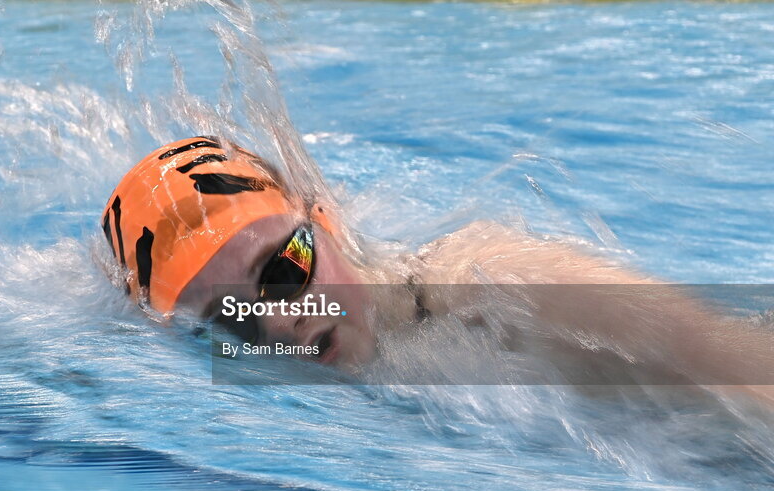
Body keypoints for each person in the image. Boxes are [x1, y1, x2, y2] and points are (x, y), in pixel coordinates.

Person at [100, 137, 774, 401]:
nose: (280, 320)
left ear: (325, 219)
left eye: (285, 270)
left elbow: (734, 360)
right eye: (231, 319)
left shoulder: (498, 287)